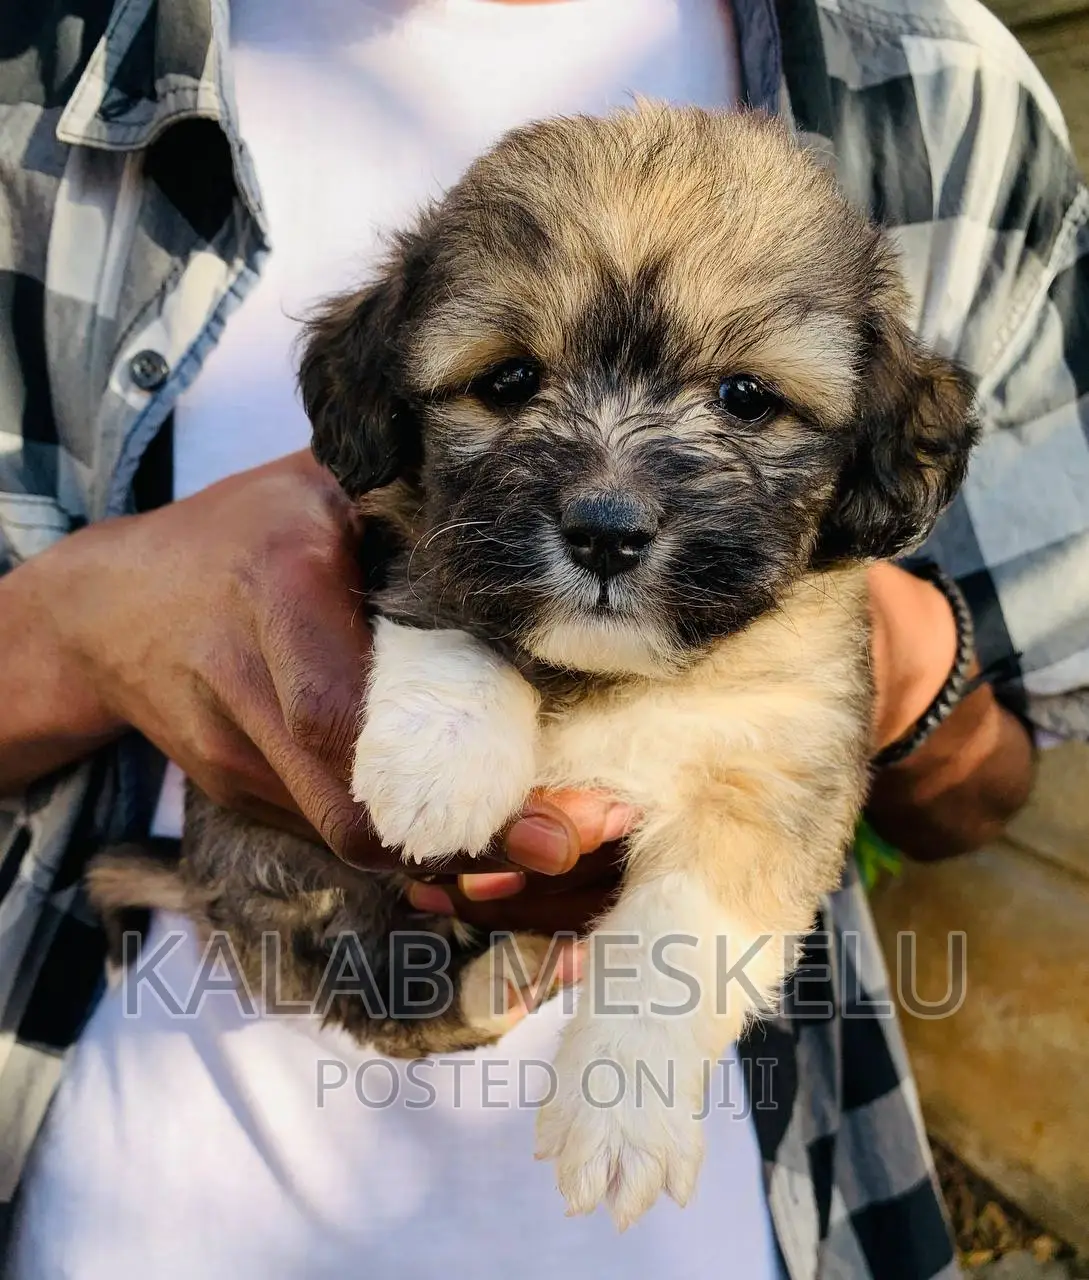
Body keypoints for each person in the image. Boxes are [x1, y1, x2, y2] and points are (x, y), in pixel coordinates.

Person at [0, 0, 1083, 1274]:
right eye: (507, 385)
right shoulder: (41, 59)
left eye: (749, 398)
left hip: (713, 1222)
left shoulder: (945, 97)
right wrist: (80, 625)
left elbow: (988, 781)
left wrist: (868, 681)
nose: (610, 496)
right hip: (145, 1198)